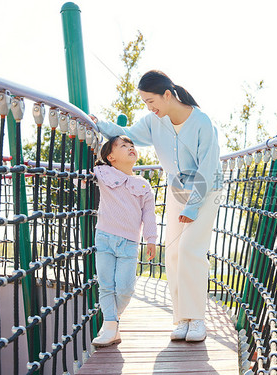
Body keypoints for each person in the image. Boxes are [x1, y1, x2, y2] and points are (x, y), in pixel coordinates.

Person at [91, 70, 223, 342]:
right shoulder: (154, 122)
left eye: (151, 101)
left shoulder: (201, 122)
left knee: (190, 250)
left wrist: (193, 207)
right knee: (173, 253)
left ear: (167, 94)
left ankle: (197, 319)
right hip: (177, 191)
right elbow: (126, 133)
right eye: (145, 103)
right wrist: (99, 124)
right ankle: (182, 319)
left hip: (206, 191)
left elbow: (208, 169)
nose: (149, 108)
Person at [91, 135, 158, 347]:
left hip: (129, 243)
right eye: (123, 145)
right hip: (104, 238)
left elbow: (149, 214)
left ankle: (112, 320)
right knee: (106, 286)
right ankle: (110, 326)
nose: (130, 148)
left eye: (132, 145)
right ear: (111, 157)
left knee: (125, 288)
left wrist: (151, 239)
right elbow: (79, 178)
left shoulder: (143, 185)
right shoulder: (103, 173)